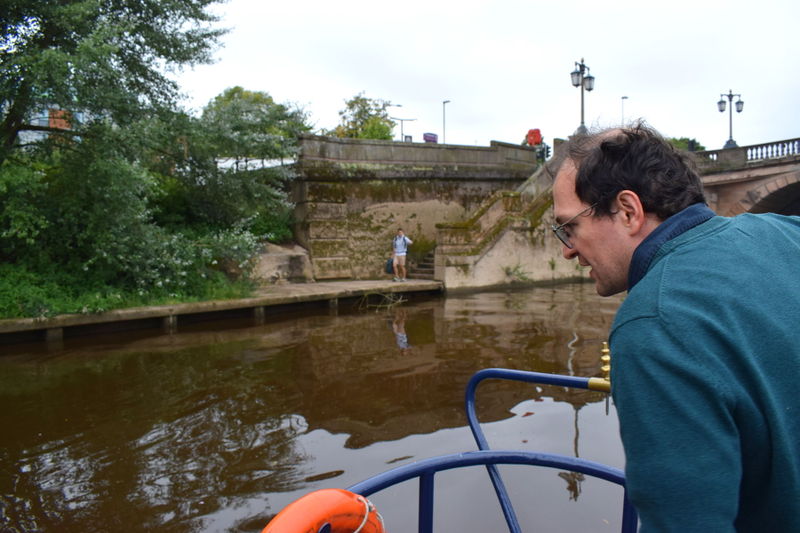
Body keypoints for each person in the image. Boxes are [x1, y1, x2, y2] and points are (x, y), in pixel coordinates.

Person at [550, 122, 800, 532]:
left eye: (570, 226)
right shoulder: (786, 231)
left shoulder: (654, 324)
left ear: (628, 211)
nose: (567, 250)